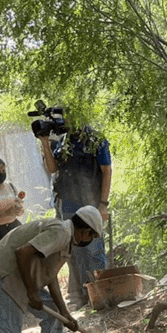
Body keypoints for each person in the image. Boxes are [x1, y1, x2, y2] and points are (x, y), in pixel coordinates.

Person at [0, 205, 102, 333]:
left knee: (54, 315)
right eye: (92, 235)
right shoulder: (61, 233)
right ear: (84, 231)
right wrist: (31, 292)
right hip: (5, 273)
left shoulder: (67, 238)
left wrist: (64, 312)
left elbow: (50, 275)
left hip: (22, 275)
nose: (90, 240)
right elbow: (22, 253)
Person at [39, 124, 111, 307]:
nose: (66, 119)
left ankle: (101, 297)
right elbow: (53, 169)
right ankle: (85, 298)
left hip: (92, 205)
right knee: (76, 253)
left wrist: (103, 204)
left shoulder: (95, 139)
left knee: (94, 251)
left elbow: (107, 171)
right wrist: (45, 142)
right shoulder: (63, 142)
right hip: (69, 207)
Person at [0, 158, 26, 247]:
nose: (1, 173)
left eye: (3, 170)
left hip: (14, 226)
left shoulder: (10, 186)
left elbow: (20, 208)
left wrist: (20, 210)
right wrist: (6, 213)